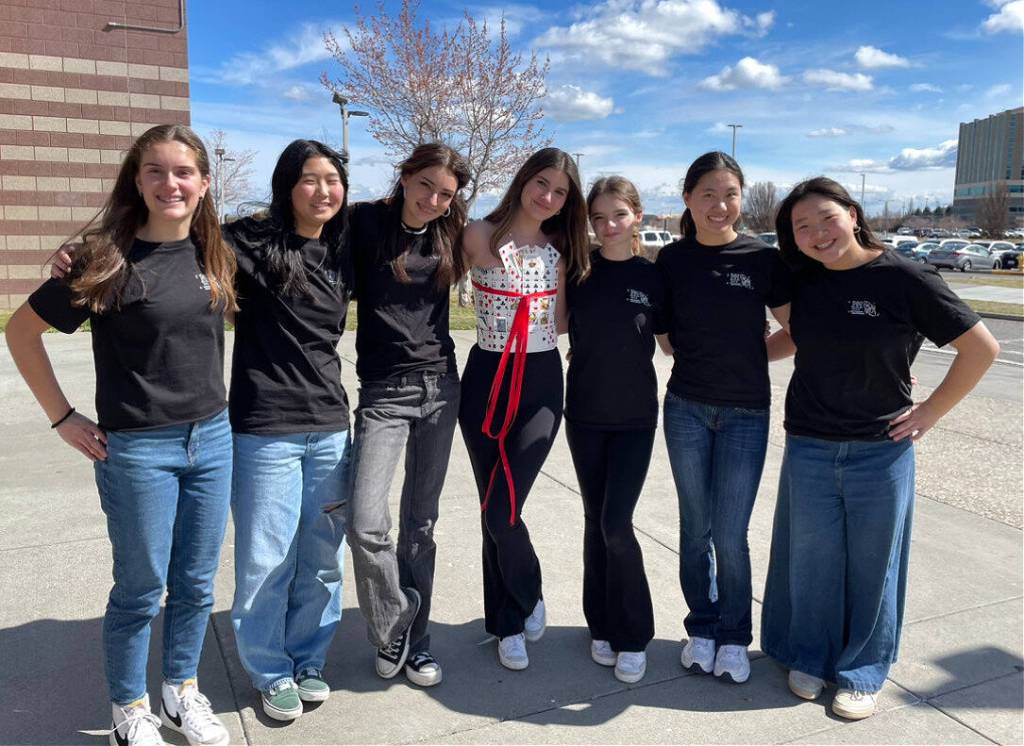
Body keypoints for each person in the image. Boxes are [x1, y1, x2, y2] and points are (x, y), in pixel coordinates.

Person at [6, 124, 236, 746]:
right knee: (140, 587)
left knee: (194, 582)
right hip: (139, 450)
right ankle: (129, 710)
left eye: (184, 172)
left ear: (205, 183)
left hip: (212, 441)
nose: (171, 184)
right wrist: (62, 417)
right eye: (156, 171)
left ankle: (181, 690)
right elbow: (21, 334)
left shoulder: (215, 252)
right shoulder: (104, 260)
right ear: (137, 180)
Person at [761, 177, 998, 720]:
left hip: (880, 450)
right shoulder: (807, 281)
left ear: (852, 212)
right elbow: (796, 337)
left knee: (874, 565)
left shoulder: (905, 278)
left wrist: (932, 411)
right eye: (802, 227)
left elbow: (979, 349)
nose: (818, 233)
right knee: (812, 561)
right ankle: (809, 656)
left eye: (826, 218)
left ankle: (862, 671)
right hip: (810, 445)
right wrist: (734, 359)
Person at [222, 140, 353, 721]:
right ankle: (269, 668)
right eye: (309, 179)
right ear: (286, 185)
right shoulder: (246, 243)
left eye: (332, 179)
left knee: (323, 555)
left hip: (329, 424)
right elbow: (172, 239)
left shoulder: (343, 252)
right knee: (266, 557)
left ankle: (308, 657)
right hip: (264, 429)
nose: (323, 191)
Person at [655, 151, 791, 684]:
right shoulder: (672, 261)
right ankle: (702, 628)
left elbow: (797, 327)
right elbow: (665, 339)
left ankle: (735, 635)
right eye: (707, 193)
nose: (719, 204)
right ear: (687, 198)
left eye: (730, 193)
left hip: (745, 414)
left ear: (741, 197)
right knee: (695, 528)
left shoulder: (762, 259)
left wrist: (756, 356)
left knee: (730, 534)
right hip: (686, 407)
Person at [458, 147, 590, 671]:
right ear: (523, 180)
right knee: (493, 503)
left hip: (538, 381)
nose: (548, 197)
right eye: (542, 183)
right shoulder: (475, 234)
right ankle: (507, 625)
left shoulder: (562, 250)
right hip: (485, 378)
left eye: (560, 192)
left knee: (502, 507)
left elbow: (562, 323)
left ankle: (528, 589)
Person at [345, 143, 470, 687]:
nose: (434, 200)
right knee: (366, 520)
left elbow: (519, 231)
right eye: (427, 186)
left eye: (446, 194)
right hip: (384, 392)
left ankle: (418, 644)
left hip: (441, 387)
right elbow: (286, 228)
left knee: (421, 523)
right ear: (406, 176)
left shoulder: (453, 232)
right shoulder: (364, 222)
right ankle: (397, 619)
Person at [565, 176, 665, 684]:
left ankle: (633, 632)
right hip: (582, 415)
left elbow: (676, 344)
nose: (607, 226)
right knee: (593, 519)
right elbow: (549, 324)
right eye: (598, 218)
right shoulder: (578, 271)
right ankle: (599, 622)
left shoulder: (653, 277)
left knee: (616, 522)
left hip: (633, 419)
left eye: (618, 216)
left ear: (637, 216)